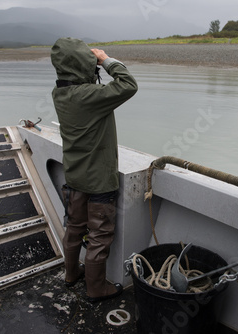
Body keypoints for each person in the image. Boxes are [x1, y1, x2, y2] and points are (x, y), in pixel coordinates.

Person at [50, 37, 138, 303]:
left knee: (75, 227)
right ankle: (97, 288)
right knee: (99, 236)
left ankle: (70, 274)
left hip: (75, 176)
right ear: (83, 65)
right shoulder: (89, 95)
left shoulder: (60, 93)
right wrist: (106, 60)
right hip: (99, 180)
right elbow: (128, 85)